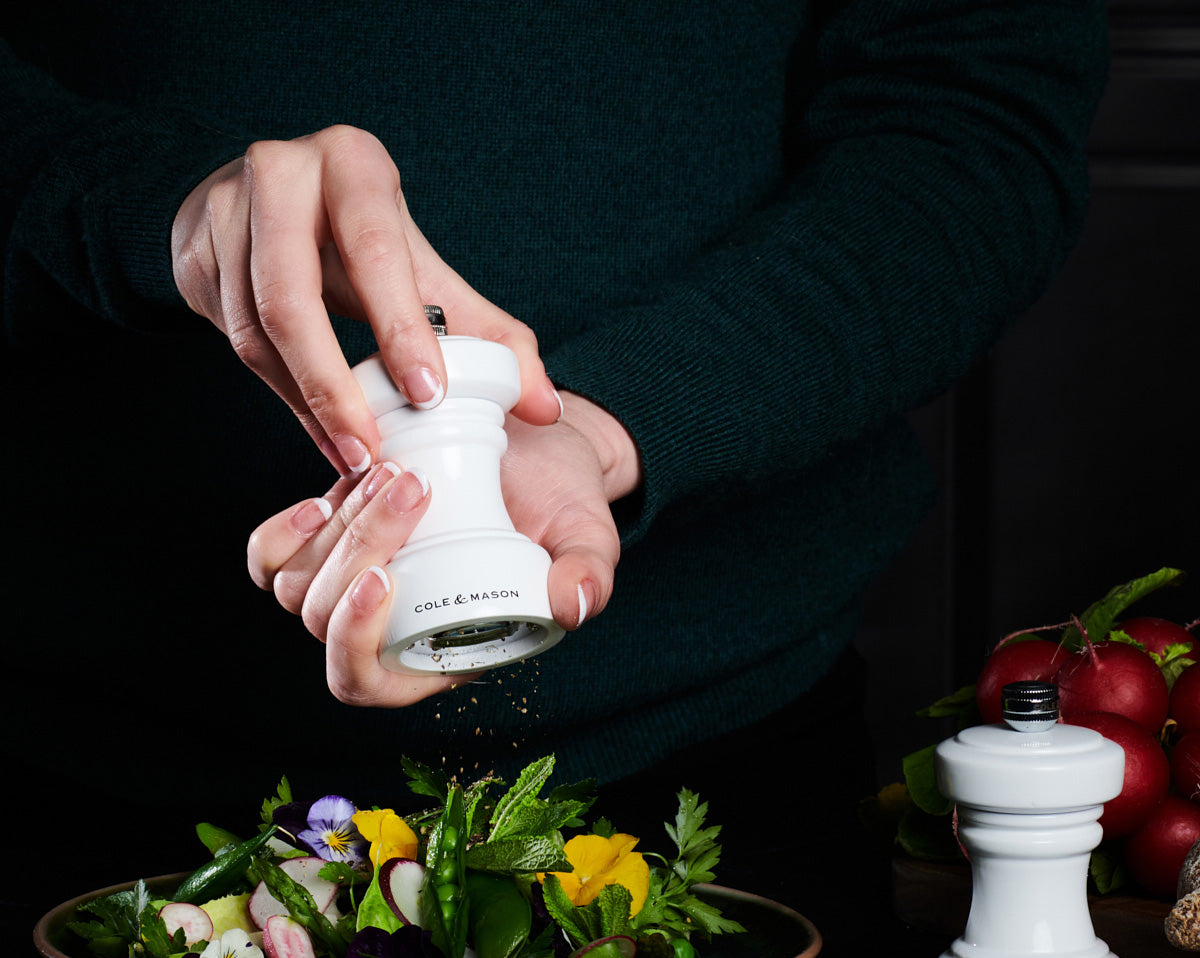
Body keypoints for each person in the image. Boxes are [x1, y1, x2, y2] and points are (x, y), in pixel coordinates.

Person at [2, 4, 1109, 895]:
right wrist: (151, 214)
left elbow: (972, 120)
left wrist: (617, 417)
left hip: (717, 782)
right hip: (90, 773)